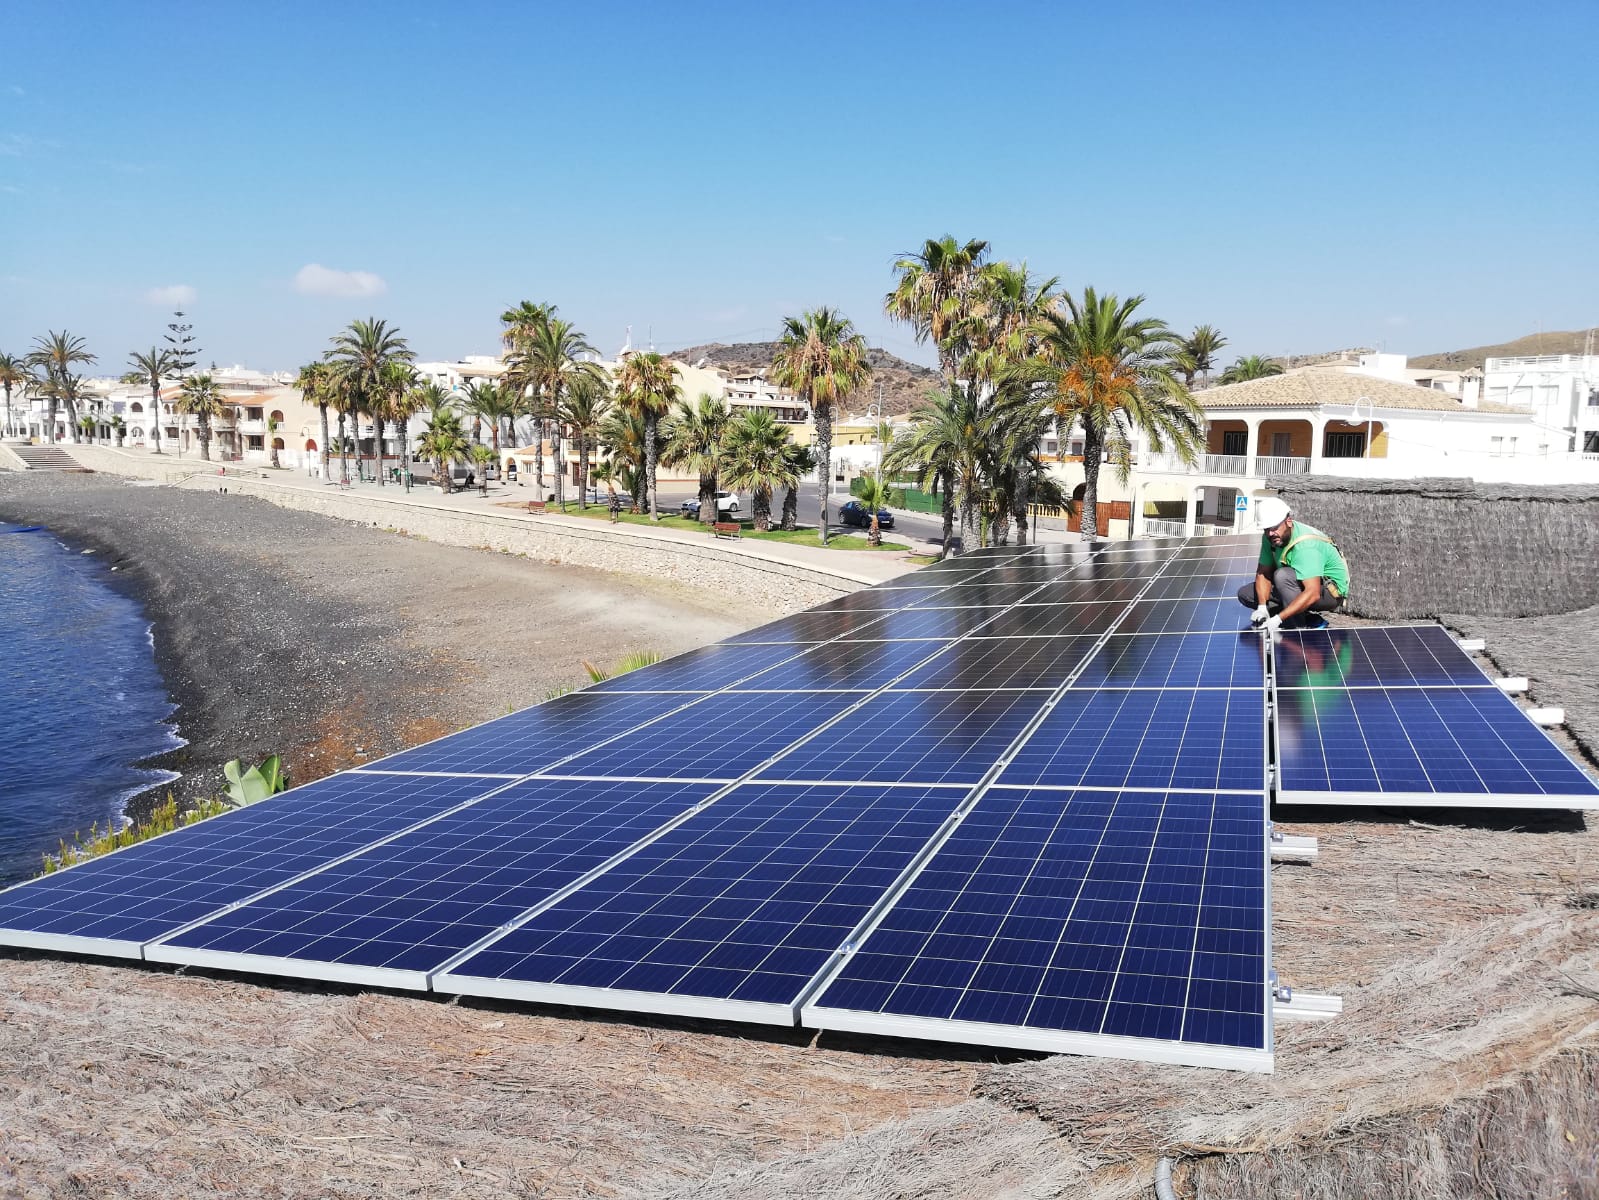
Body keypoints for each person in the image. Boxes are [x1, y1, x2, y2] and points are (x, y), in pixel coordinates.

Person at [1239, 496, 1351, 633]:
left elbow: (1313, 593)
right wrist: (1262, 608)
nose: (1270, 533)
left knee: (1282, 576)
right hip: (1298, 584)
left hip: (1329, 592)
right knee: (1246, 594)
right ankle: (1308, 618)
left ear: (1288, 521)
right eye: (1266, 529)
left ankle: (1297, 629)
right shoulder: (1270, 537)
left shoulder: (1306, 545)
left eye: (1274, 528)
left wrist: (1278, 619)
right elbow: (1263, 572)